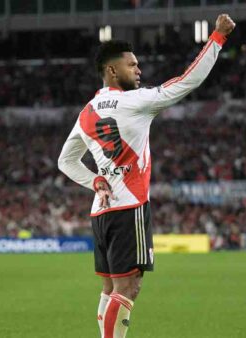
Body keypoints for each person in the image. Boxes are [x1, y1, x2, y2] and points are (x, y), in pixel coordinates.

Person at [58, 14, 235, 338]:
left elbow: (65, 161)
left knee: (110, 286)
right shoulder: (135, 102)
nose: (139, 70)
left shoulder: (86, 112)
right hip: (130, 207)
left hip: (101, 210)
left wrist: (95, 181)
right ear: (112, 71)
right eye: (132, 65)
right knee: (129, 286)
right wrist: (218, 38)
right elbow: (187, 81)